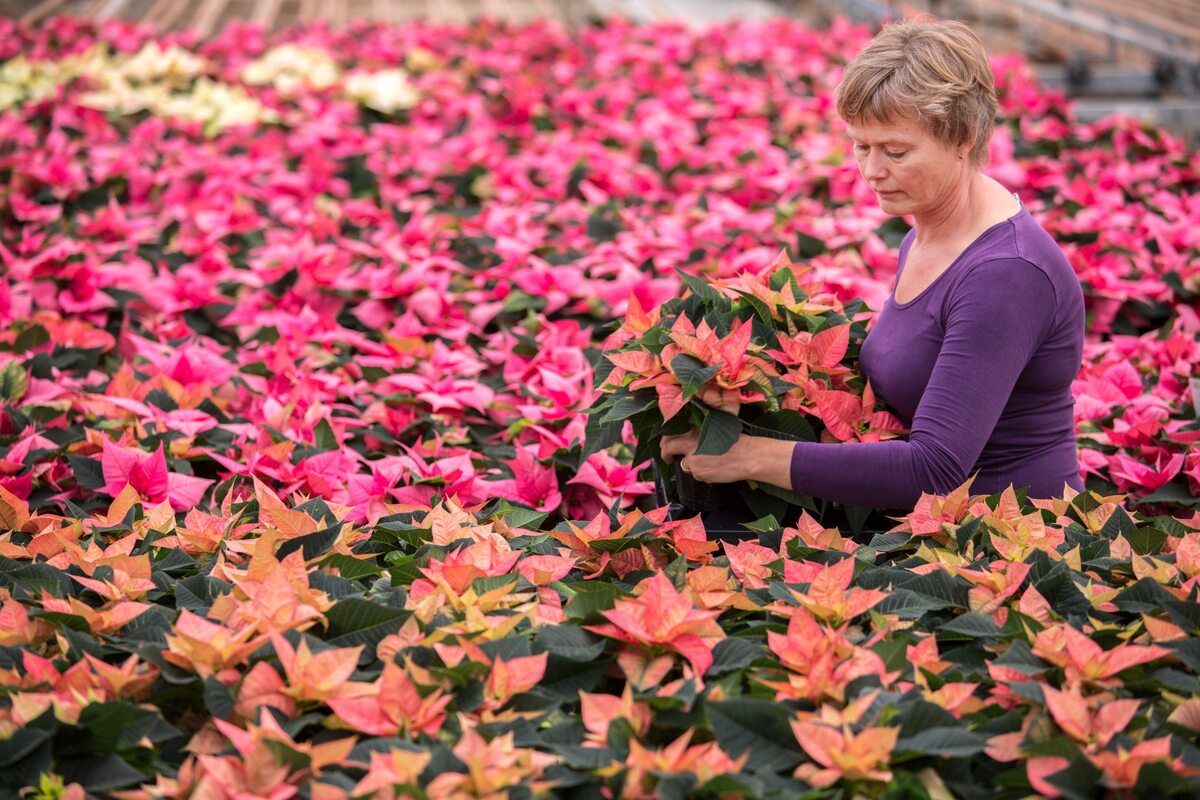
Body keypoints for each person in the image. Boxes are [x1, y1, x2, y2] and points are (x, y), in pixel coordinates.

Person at [661, 17, 1086, 511]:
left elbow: (934, 470)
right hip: (934, 529)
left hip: (1007, 539)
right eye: (862, 146)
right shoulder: (928, 231)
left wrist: (748, 456)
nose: (871, 171)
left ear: (963, 139)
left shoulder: (1005, 274)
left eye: (896, 151)